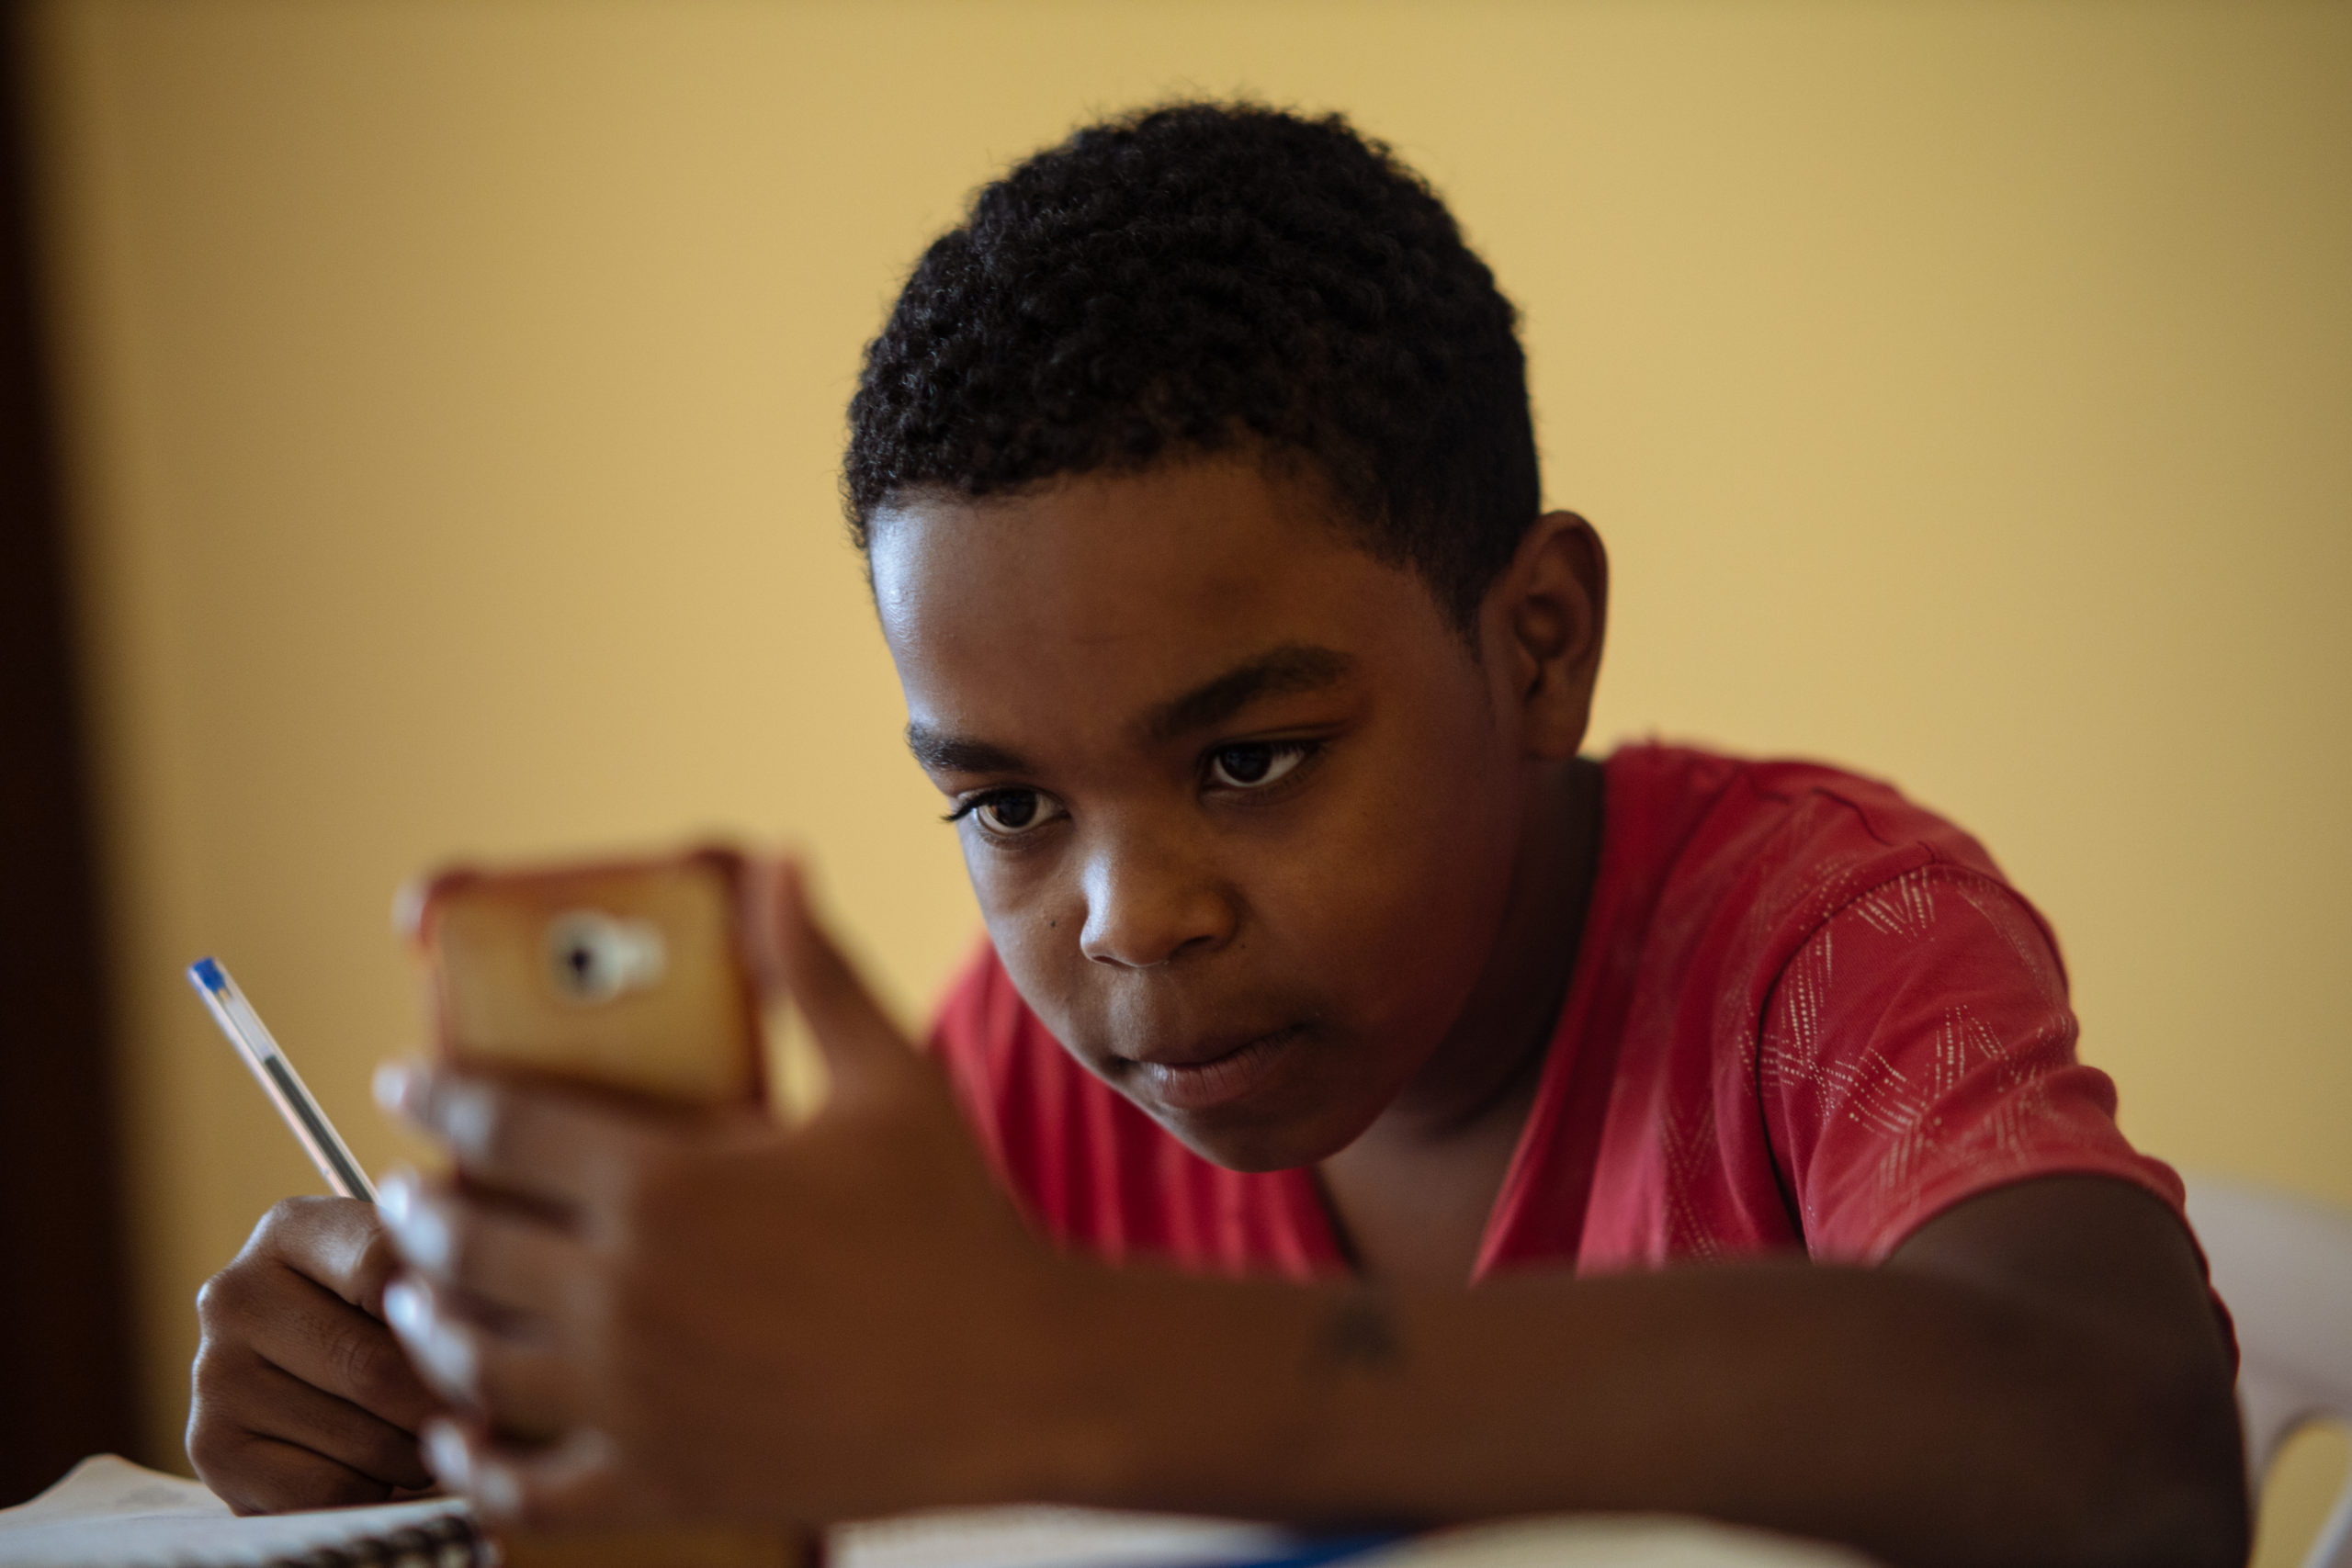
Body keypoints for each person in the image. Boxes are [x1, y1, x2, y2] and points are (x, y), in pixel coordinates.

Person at [185, 103, 2246, 1567]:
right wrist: (454, 1416)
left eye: (1250, 756)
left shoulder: (1818, 943)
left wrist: (1097, 1367)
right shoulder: (1053, 1091)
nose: (1131, 921)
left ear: (1534, 641)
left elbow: (2129, 1442)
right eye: (1003, 801)